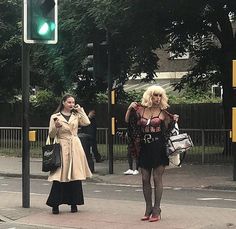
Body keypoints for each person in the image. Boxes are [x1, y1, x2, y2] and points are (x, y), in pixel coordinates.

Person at [125, 85, 179, 222]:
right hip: (144, 147)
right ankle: (148, 208)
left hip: (159, 147)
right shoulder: (140, 110)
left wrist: (174, 120)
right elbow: (128, 122)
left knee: (157, 178)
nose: (158, 98)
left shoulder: (164, 112)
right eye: (155, 95)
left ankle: (157, 208)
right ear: (150, 96)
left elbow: (169, 129)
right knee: (144, 178)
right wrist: (129, 108)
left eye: (160, 95)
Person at [46, 94, 92, 214]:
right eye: (69, 102)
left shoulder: (76, 115)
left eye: (73, 102)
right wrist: (56, 128)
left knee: (75, 174)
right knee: (60, 175)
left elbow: (87, 122)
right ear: (63, 103)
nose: (71, 104)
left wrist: (80, 110)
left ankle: (74, 203)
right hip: (62, 145)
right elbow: (51, 134)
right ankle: (55, 204)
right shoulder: (55, 117)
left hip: (75, 146)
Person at [124, 107, 140, 175]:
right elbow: (126, 120)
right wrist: (129, 109)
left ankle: (136, 168)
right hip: (131, 134)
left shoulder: (139, 114)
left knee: (137, 152)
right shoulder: (130, 114)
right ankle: (130, 168)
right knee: (129, 152)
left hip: (137, 135)